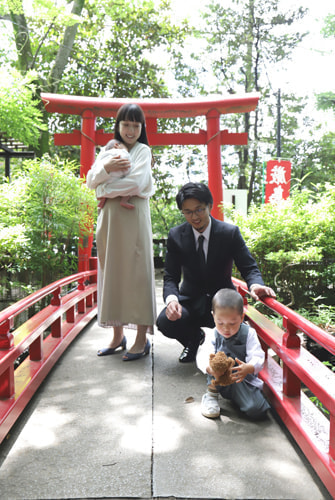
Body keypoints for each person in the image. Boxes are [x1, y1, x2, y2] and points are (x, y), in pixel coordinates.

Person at [156, 182, 276, 363]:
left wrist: (256, 284)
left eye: (199, 210)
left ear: (209, 206)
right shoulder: (176, 235)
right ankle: (194, 339)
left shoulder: (230, 233)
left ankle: (221, 347)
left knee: (229, 359)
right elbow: (171, 276)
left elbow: (248, 266)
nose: (194, 217)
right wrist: (172, 300)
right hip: (190, 302)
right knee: (165, 321)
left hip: (223, 302)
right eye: (187, 212)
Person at [86, 103, 156, 361]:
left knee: (137, 273)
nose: (130, 130)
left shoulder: (143, 151)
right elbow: (90, 179)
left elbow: (136, 182)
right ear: (118, 125)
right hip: (109, 219)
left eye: (136, 125)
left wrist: (103, 190)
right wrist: (105, 171)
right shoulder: (109, 149)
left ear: (141, 128)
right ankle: (117, 336)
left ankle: (140, 339)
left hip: (133, 216)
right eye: (126, 124)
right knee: (110, 272)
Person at [197, 288, 270, 419]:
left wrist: (249, 367)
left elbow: (257, 356)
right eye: (220, 323)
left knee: (258, 410)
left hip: (241, 379)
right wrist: (210, 368)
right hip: (218, 378)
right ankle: (211, 395)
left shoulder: (249, 334)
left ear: (241, 317)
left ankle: (238, 398)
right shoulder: (213, 334)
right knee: (215, 362)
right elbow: (203, 354)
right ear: (213, 316)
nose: (226, 328)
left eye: (232, 323)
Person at [95, 139, 135, 210]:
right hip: (116, 177)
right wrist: (130, 170)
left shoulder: (103, 155)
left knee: (103, 186)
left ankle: (103, 198)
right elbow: (126, 163)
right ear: (116, 145)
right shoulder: (121, 152)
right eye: (126, 148)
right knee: (131, 186)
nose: (127, 150)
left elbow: (98, 167)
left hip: (105, 179)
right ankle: (124, 201)